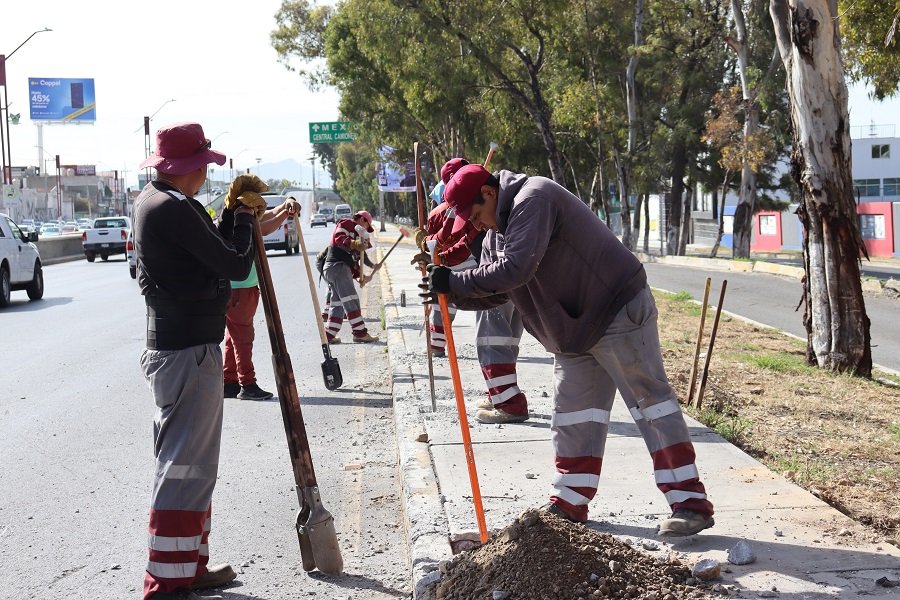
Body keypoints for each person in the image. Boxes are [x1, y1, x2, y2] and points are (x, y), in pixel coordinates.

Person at [421, 163, 715, 536]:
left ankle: (690, 503)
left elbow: (515, 270)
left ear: (490, 193)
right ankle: (570, 501)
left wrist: (455, 280)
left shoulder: (534, 198)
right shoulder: (498, 232)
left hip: (615, 309)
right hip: (575, 330)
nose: (475, 225)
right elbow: (501, 291)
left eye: (475, 214)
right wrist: (449, 294)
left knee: (650, 403)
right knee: (574, 415)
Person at [133, 122, 265, 600]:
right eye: (202, 167)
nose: (204, 177)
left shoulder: (160, 202)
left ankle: (185, 565)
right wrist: (244, 219)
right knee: (184, 467)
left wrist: (231, 216)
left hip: (181, 347)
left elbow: (214, 255)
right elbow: (233, 263)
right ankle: (167, 580)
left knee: (192, 465)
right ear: (187, 167)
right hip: (187, 352)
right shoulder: (172, 208)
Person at [414, 158, 529, 424]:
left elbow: (459, 239)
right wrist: (440, 258)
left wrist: (439, 255)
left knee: (492, 340)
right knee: (507, 340)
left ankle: (509, 403)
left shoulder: (479, 204)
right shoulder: (495, 206)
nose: (476, 222)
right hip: (504, 281)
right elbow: (465, 242)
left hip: (491, 279)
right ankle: (502, 394)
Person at [223, 196, 301, 401]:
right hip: (240, 289)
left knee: (233, 338)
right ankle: (247, 384)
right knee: (243, 338)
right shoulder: (239, 223)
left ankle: (229, 381)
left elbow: (262, 218)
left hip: (237, 288)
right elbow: (263, 228)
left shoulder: (235, 217)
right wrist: (286, 213)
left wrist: (285, 206)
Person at [322, 210, 380, 343]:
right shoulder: (347, 223)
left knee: (337, 304)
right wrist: (354, 243)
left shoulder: (357, 235)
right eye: (367, 225)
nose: (366, 228)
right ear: (362, 220)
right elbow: (339, 238)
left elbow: (355, 261)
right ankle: (360, 333)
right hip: (338, 266)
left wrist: (362, 276)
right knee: (351, 300)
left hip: (336, 269)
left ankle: (329, 335)